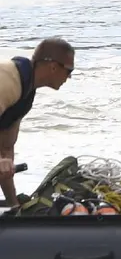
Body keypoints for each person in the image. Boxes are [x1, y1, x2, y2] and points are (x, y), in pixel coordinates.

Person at [0, 38, 76, 207]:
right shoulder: (7, 80)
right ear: (53, 67)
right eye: (69, 70)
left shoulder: (25, 94)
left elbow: (6, 151)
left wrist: (14, 206)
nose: (69, 77)